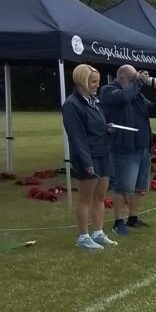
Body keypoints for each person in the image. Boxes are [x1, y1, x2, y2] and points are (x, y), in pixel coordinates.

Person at [99, 64, 156, 235]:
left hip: (142, 148)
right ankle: (118, 221)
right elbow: (123, 98)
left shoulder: (136, 95)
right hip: (124, 148)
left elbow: (155, 112)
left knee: (138, 187)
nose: (138, 82)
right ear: (121, 77)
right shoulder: (108, 91)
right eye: (133, 79)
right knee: (122, 186)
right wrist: (138, 83)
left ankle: (133, 218)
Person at [61, 64, 117, 251]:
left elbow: (98, 128)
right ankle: (83, 237)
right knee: (86, 198)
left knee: (100, 196)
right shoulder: (71, 105)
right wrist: (87, 162)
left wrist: (108, 129)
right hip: (87, 157)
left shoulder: (94, 101)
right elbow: (76, 137)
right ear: (82, 81)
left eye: (97, 82)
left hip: (103, 154)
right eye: (93, 82)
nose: (96, 86)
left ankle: (98, 233)